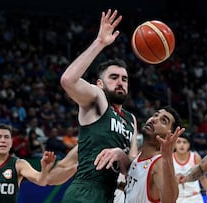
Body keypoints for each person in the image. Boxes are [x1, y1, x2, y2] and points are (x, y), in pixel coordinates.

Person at [47, 9, 138, 203]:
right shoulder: (98, 100)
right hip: (85, 192)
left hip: (110, 195)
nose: (120, 82)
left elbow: (132, 165)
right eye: (113, 78)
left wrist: (121, 155)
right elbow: (68, 80)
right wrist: (100, 43)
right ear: (99, 84)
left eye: (124, 79)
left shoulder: (131, 119)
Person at [124, 106, 185, 203]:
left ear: (170, 135)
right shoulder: (140, 157)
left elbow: (170, 200)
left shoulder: (159, 163)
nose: (154, 119)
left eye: (163, 121)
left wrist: (167, 157)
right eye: (155, 115)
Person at [173, 133, 207, 203]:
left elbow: (202, 177)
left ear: (189, 145)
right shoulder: (170, 158)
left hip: (194, 197)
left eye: (184, 142)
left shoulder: (195, 157)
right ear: (175, 145)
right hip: (176, 198)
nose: (182, 145)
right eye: (178, 142)